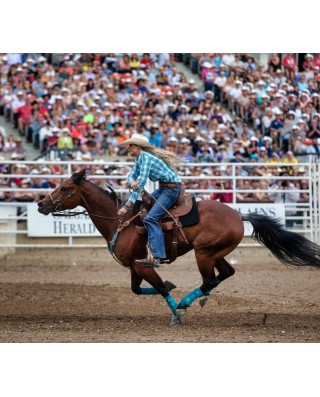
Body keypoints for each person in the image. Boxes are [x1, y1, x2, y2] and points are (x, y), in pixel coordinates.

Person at [117, 133, 184, 267]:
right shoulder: (140, 158)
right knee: (145, 210)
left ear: (138, 147)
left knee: (150, 218)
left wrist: (128, 204)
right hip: (165, 188)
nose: (129, 148)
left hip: (171, 190)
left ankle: (157, 256)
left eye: (131, 145)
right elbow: (131, 176)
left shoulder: (146, 157)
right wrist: (132, 182)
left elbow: (141, 181)